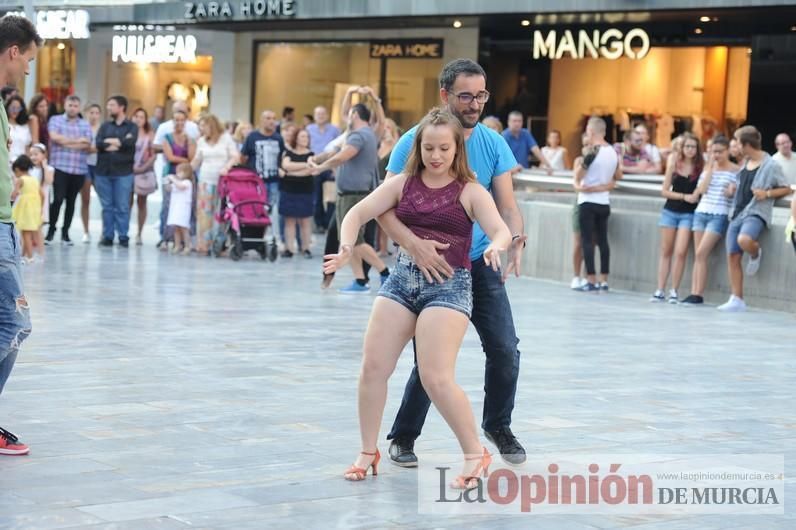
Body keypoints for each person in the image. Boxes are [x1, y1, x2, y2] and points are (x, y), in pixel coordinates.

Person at [326, 108, 511, 488]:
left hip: (449, 284)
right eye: (429, 148)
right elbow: (357, 214)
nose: (436, 156)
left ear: (456, 149)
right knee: (373, 367)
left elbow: (500, 230)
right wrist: (346, 247)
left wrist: (496, 246)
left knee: (435, 376)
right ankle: (368, 451)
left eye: (444, 148)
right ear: (419, 147)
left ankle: (476, 454)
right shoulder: (404, 183)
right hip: (401, 281)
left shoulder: (471, 191)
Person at [380, 59, 528, 466]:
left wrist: (513, 240)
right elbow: (383, 207)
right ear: (445, 95)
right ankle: (404, 436)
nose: (475, 103)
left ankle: (497, 425)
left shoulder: (494, 142)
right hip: (431, 265)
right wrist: (414, 246)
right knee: (431, 360)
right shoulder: (414, 141)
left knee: (505, 349)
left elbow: (508, 207)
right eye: (466, 95)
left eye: (481, 95)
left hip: (480, 262)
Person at [0, 13, 42, 457]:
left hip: (5, 222)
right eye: (28, 60)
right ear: (13, 52)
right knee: (15, 322)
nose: (29, 69)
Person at [310, 103, 389, 293]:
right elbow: (334, 153)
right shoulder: (366, 134)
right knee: (349, 239)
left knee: (356, 240)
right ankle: (360, 280)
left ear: (355, 115)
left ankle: (385, 271)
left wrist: (320, 168)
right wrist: (317, 159)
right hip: (351, 193)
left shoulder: (359, 135)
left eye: (349, 114)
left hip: (353, 194)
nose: (346, 117)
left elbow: (342, 157)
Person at [718, 126, 792, 312]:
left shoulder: (771, 164)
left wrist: (766, 193)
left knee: (744, 240)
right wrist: (732, 190)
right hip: (737, 212)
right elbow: (741, 183)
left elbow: (786, 188)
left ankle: (755, 252)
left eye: (737, 143)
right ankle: (737, 298)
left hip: (756, 211)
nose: (735, 147)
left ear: (746, 144)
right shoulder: (745, 163)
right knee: (733, 255)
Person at [681, 136, 739, 305]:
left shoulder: (736, 170)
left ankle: (698, 294)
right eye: (713, 151)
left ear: (728, 151)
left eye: (720, 152)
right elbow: (702, 190)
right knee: (699, 256)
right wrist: (711, 168)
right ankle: (694, 292)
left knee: (701, 253)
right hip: (701, 212)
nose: (716, 155)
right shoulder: (708, 169)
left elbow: (733, 194)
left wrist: (731, 191)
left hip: (719, 214)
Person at [650, 133, 703, 303]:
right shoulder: (674, 164)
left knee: (681, 252)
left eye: (693, 147)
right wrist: (683, 196)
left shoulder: (700, 168)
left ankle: (674, 290)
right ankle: (660, 289)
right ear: (682, 148)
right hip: (670, 211)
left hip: (688, 213)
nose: (690, 150)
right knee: (666, 250)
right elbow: (664, 191)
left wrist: (693, 195)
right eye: (687, 146)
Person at [574, 116, 622, 292]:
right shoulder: (613, 151)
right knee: (603, 240)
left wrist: (581, 179)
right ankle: (604, 279)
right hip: (604, 201)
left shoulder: (592, 152)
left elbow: (579, 176)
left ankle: (591, 279)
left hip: (588, 201)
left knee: (587, 241)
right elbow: (619, 175)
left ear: (591, 131)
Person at [45, 94, 92, 246]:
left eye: (75, 106)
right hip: (60, 167)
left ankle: (66, 233)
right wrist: (77, 141)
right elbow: (54, 137)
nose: (72, 108)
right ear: (65, 105)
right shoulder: (55, 120)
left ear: (79, 108)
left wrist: (65, 142)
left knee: (71, 202)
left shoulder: (85, 124)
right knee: (57, 199)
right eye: (70, 105)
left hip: (78, 169)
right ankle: (51, 231)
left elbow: (87, 144)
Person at [94, 95, 138, 248]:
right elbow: (99, 143)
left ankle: (123, 236)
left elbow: (129, 143)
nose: (108, 108)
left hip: (123, 172)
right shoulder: (105, 126)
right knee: (107, 206)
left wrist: (111, 142)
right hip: (103, 171)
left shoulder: (132, 127)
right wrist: (117, 143)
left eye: (112, 105)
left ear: (121, 107)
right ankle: (107, 236)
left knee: (122, 206)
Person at [192, 113, 238, 255]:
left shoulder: (226, 139)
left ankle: (221, 243)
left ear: (211, 125)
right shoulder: (201, 141)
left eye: (203, 125)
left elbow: (235, 156)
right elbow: (196, 161)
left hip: (223, 181)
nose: (201, 128)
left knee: (222, 213)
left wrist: (227, 167)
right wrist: (185, 171)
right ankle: (204, 244)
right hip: (205, 180)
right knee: (204, 214)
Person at [240, 109, 284, 238]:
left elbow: (281, 157)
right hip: (256, 181)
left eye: (274, 118)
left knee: (271, 209)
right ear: (261, 120)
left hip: (274, 181)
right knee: (256, 209)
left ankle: (267, 237)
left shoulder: (278, 138)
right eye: (268, 118)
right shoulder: (252, 136)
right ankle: (253, 236)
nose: (272, 121)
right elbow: (243, 157)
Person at [158, 110, 196, 249]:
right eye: (176, 120)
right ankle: (165, 238)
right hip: (169, 174)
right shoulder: (166, 137)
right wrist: (184, 160)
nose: (179, 123)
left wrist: (185, 160)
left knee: (186, 208)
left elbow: (192, 158)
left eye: (182, 120)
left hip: (186, 177)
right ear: (172, 121)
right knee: (167, 207)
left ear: (185, 121)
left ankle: (184, 241)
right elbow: (170, 157)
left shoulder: (190, 139)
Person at [280, 128, 314, 258]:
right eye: (302, 136)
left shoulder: (311, 154)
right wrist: (304, 165)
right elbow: (286, 165)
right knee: (289, 221)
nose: (305, 139)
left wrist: (290, 173)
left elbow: (310, 170)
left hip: (305, 190)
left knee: (305, 220)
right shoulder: (288, 152)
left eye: (306, 137)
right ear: (296, 138)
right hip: (289, 190)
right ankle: (289, 249)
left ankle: (305, 248)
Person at [306, 105, 340, 231]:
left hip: (330, 166)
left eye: (323, 113)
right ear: (314, 116)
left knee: (330, 197)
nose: (320, 116)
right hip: (315, 166)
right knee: (316, 196)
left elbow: (339, 148)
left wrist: (334, 166)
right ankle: (319, 223)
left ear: (327, 115)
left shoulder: (334, 130)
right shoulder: (309, 129)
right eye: (318, 114)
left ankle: (328, 223)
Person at [131, 108, 157, 246]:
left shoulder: (149, 134)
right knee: (125, 202)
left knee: (142, 202)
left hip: (143, 171)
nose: (138, 119)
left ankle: (139, 233)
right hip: (127, 171)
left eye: (142, 117)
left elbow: (153, 155)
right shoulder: (128, 132)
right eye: (136, 116)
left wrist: (143, 167)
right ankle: (124, 231)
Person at [11, 155, 43, 263]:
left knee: (25, 235)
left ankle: (30, 257)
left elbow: (14, 194)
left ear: (17, 169)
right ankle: (23, 256)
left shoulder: (20, 180)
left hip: (25, 211)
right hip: (34, 209)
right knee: (27, 233)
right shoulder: (34, 180)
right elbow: (42, 194)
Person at [376, 118, 400, 257]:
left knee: (395, 217)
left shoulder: (397, 146)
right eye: (383, 127)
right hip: (377, 184)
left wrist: (392, 140)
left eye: (388, 127)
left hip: (391, 184)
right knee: (380, 217)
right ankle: (382, 248)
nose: (385, 130)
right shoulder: (378, 145)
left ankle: (398, 248)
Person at [81, 103, 102, 243]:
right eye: (91, 112)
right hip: (85, 165)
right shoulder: (82, 127)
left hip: (100, 166)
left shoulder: (103, 128)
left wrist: (94, 148)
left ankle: (104, 231)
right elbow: (83, 147)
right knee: (86, 199)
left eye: (96, 113)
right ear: (86, 113)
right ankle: (86, 231)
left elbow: (102, 147)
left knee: (104, 200)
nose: (94, 115)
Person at [570, 132, 589, 289]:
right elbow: (576, 182)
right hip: (580, 203)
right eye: (585, 145)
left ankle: (587, 276)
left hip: (594, 203)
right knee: (578, 242)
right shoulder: (580, 161)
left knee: (590, 242)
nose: (587, 148)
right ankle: (576, 276)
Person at [166, 162, 194, 255]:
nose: (177, 174)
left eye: (180, 172)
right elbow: (169, 189)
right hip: (175, 208)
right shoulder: (177, 183)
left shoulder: (187, 183)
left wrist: (173, 179)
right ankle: (177, 245)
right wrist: (167, 182)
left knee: (183, 228)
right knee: (176, 228)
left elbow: (181, 187)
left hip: (183, 209)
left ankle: (187, 246)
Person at [29, 143, 54, 232]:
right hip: (30, 198)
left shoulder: (49, 169)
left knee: (39, 220)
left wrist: (45, 166)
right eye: (31, 155)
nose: (33, 157)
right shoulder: (29, 169)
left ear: (44, 155)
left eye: (36, 154)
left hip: (42, 199)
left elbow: (49, 181)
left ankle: (36, 237)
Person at [5, 95, 31, 163]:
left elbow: (27, 148)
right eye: (13, 107)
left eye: (18, 108)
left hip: (21, 165)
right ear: (7, 107)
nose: (15, 111)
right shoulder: (4, 125)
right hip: (6, 162)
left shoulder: (24, 127)